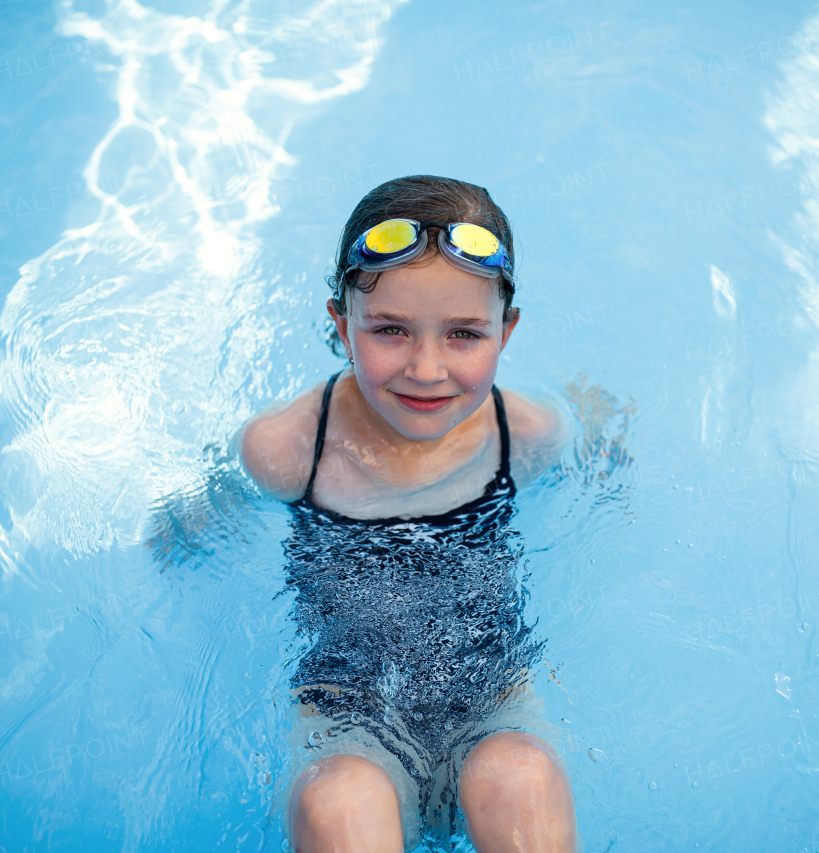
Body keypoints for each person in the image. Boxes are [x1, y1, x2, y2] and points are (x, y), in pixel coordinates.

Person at [240, 175, 575, 852]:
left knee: (524, 775)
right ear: (341, 324)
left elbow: (593, 436)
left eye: (463, 334)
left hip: (491, 709)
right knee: (338, 801)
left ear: (506, 332)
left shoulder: (526, 434)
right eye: (390, 330)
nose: (426, 368)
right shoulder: (289, 451)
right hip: (345, 721)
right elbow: (215, 506)